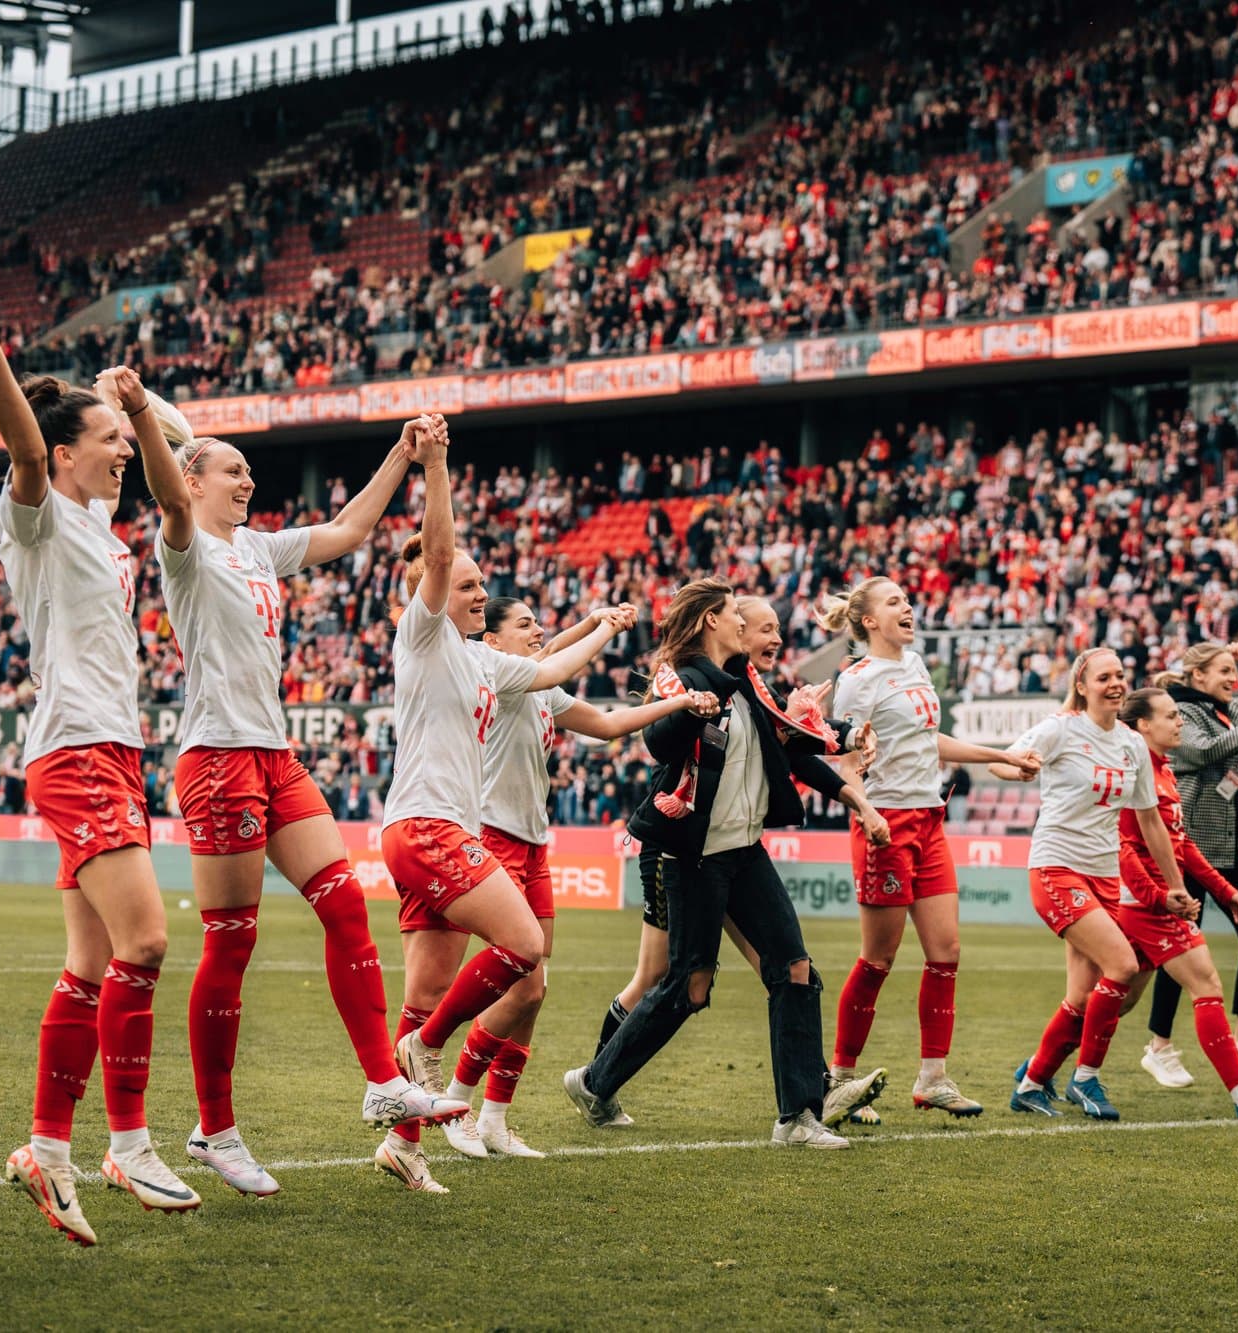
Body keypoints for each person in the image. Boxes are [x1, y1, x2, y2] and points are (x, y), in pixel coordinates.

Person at [151, 410, 468, 1198]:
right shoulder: (183, 543)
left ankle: (380, 1082)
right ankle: (213, 1127)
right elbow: (164, 490)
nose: (248, 479)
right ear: (193, 481)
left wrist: (402, 454)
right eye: (232, 469)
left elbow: (352, 527)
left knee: (346, 906)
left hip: (275, 754)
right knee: (232, 945)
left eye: (247, 470)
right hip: (218, 756)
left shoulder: (259, 546)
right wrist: (138, 418)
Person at [0, 289, 203, 1244]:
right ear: (64, 456)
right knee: (146, 943)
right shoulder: (36, 515)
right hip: (73, 751)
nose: (120, 456)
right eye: (101, 442)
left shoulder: (106, 532)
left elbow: (177, 449)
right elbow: (25, 447)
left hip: (111, 748)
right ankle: (129, 1142)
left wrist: (134, 405)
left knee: (91, 960)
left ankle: (48, 1151)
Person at [377, 418, 632, 1194]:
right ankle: (429, 1048)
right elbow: (441, 548)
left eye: (487, 583)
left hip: (426, 832)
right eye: (467, 582)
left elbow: (555, 667)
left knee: (424, 987)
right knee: (523, 946)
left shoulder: (489, 661)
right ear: (429, 592)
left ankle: (403, 1143)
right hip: (428, 826)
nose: (480, 589)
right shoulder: (423, 637)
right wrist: (441, 462)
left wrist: (605, 626)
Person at [562, 580, 895, 1148]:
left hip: (743, 851)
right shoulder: (683, 679)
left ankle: (798, 1118)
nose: (749, 624)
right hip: (690, 854)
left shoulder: (748, 684)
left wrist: (842, 741)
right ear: (713, 621)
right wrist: (693, 709)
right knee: (687, 987)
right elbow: (661, 744)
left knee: (793, 968)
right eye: (737, 615)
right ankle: (595, 1083)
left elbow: (790, 743)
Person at [432, 596, 719, 1160]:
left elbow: (609, 725)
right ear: (492, 641)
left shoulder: (540, 689)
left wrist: (674, 702)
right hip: (493, 838)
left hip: (534, 845)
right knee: (527, 985)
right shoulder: (494, 673)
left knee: (534, 994)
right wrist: (603, 627)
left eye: (540, 623)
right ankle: (458, 1099)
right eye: (525, 624)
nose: (538, 631)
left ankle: (494, 1119)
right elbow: (558, 658)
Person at [817, 577, 1040, 1120]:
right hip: (886, 822)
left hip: (929, 819)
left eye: (907, 600)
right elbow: (843, 761)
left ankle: (933, 1078)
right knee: (879, 959)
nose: (908, 607)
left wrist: (997, 756)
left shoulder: (915, 667)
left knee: (946, 953)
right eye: (894, 602)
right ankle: (839, 1080)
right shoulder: (856, 681)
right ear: (868, 620)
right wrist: (865, 811)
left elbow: (927, 741)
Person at [1006, 648, 1188, 1122]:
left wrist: (1174, 885)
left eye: (1120, 676)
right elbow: (1003, 763)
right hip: (1056, 867)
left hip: (1104, 876)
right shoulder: (1060, 728)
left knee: (1083, 999)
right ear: (1082, 685)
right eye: (1104, 677)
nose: (1115, 684)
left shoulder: (1131, 744)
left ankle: (1030, 1084)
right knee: (1123, 964)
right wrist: (1018, 767)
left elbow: (1150, 821)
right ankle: (1086, 1079)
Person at [1102, 689, 1238, 1116]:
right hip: (1146, 905)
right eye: (1172, 717)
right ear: (1143, 726)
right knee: (1206, 983)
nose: (1180, 724)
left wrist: (1227, 891)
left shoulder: (1164, 771)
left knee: (1116, 998)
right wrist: (1160, 897)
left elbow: (1183, 844)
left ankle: (1040, 1073)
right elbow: (1127, 850)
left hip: (1156, 900)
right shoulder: (1135, 772)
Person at [1142, 642, 1238, 1087]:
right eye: (1224, 671)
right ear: (1198, 675)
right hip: (1189, 846)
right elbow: (1206, 751)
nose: (1232, 679)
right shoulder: (1182, 714)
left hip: (1228, 847)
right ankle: (1159, 1047)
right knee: (1180, 950)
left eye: (1234, 672)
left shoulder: (1228, 710)